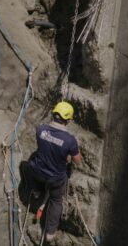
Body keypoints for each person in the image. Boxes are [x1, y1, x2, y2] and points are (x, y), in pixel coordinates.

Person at [27, 101, 81, 241]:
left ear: (54, 113)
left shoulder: (40, 129)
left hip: (38, 172)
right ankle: (50, 233)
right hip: (56, 178)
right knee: (56, 201)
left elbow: (43, 145)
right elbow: (77, 160)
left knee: (31, 165)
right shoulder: (70, 140)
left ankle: (37, 191)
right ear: (68, 119)